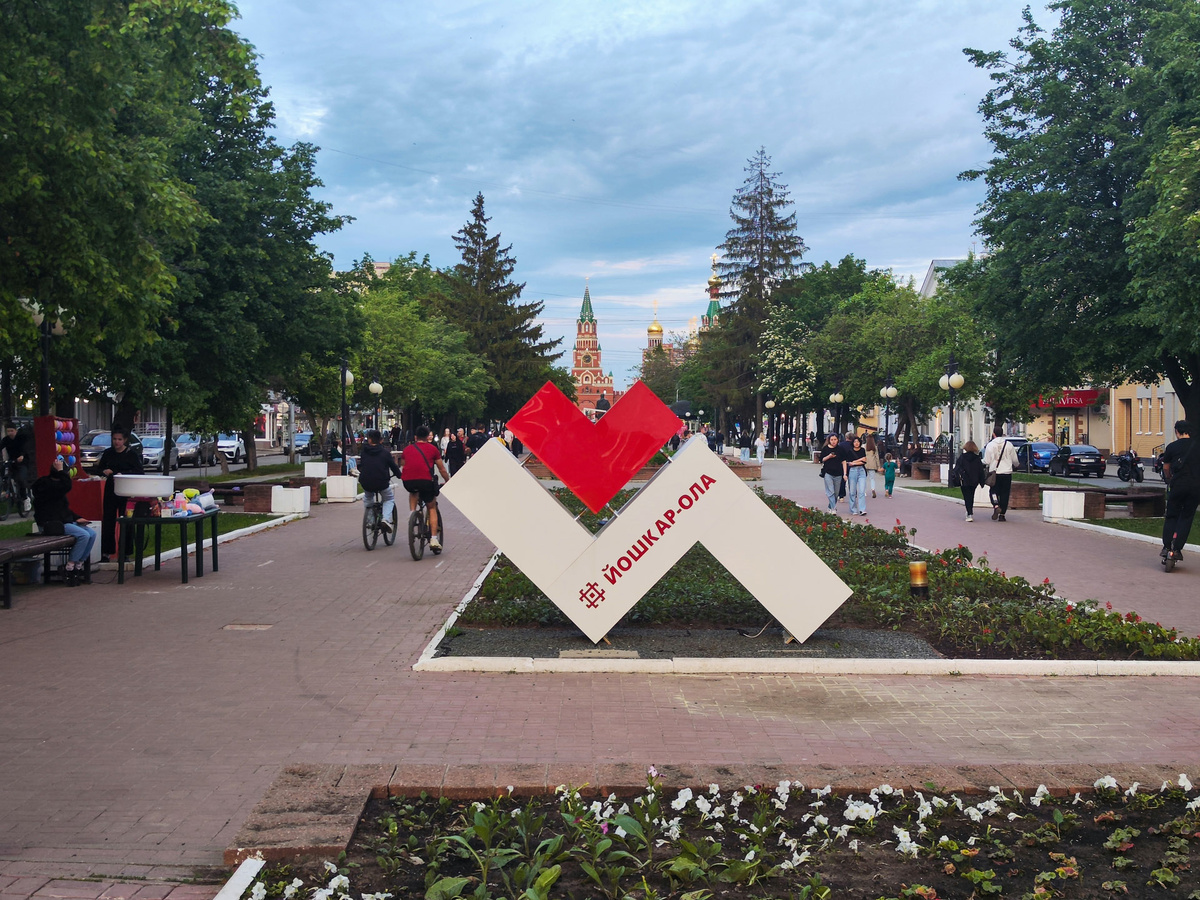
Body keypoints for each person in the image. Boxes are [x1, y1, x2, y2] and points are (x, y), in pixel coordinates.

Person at [31, 456, 95, 585]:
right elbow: (66, 486)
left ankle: (78, 563)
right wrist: (61, 471)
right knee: (83, 535)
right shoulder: (46, 485)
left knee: (92, 534)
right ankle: (69, 567)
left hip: (62, 521)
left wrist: (77, 518)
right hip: (51, 524)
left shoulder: (58, 488)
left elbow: (64, 509)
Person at [94, 428, 144, 562]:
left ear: (125, 440)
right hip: (111, 490)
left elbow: (139, 472)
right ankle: (106, 552)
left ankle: (126, 552)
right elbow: (98, 468)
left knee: (127, 521)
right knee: (108, 520)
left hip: (126, 492)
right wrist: (104, 471)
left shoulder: (131, 455)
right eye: (115, 439)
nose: (117, 442)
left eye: (120, 439)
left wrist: (125, 474)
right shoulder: (108, 453)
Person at [401, 425, 451, 552]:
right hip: (426, 482)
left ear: (415, 437)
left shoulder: (407, 450)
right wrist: (447, 480)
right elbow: (441, 468)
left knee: (413, 492)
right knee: (431, 506)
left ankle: (412, 514)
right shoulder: (433, 449)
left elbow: (404, 464)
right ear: (428, 436)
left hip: (408, 481)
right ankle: (434, 539)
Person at [1160, 420, 1198, 569]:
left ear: (1177, 431)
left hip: (1178, 485)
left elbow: (1166, 468)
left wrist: (1169, 479)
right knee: (1187, 517)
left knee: (1172, 515)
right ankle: (1177, 549)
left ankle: (1167, 546)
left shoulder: (1172, 447)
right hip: (1196, 487)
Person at [357, 429, 402, 533]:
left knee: (368, 497)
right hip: (381, 482)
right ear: (381, 440)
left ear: (369, 440)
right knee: (389, 499)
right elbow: (394, 467)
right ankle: (385, 519)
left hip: (366, 482)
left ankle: (370, 520)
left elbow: (361, 466)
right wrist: (400, 475)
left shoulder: (364, 452)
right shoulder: (385, 453)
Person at [982, 426, 1019, 521]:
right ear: (1002, 434)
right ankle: (1002, 515)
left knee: (993, 491)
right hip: (1006, 473)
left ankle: (996, 505)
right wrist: (1017, 465)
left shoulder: (990, 445)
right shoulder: (1009, 444)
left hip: (995, 473)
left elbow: (986, 461)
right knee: (1005, 494)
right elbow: (1015, 460)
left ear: (993, 434)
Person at [2, 420, 35, 514]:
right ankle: (5, 489)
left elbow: (26, 448)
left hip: (22, 462)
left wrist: (22, 455)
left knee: (20, 479)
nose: (10, 433)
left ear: (15, 431)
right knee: (4, 473)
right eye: (8, 431)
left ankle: (25, 498)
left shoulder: (21, 438)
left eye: (11, 431)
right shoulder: (6, 440)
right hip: (11, 462)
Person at [953, 441, 986, 522]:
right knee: (971, 496)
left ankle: (969, 513)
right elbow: (981, 471)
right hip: (974, 481)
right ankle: (969, 511)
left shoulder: (962, 457)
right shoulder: (977, 458)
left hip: (964, 480)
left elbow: (957, 468)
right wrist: (982, 482)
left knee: (966, 497)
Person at [819, 434, 844, 512]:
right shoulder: (825, 449)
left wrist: (845, 473)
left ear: (838, 440)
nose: (833, 441)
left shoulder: (840, 449)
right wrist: (829, 456)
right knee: (831, 491)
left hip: (838, 473)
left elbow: (844, 461)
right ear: (829, 440)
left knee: (836, 493)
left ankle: (830, 506)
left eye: (835, 439)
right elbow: (822, 459)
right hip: (828, 473)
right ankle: (834, 508)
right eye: (832, 440)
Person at [845, 435, 868, 516]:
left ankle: (862, 509)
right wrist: (857, 461)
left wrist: (855, 462)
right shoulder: (850, 451)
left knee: (862, 491)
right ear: (853, 443)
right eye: (855, 442)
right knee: (852, 492)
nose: (856, 443)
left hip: (861, 470)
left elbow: (864, 461)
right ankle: (853, 509)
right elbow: (849, 463)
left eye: (858, 442)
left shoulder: (862, 450)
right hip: (853, 471)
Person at [864, 434, 881, 499]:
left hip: (865, 464)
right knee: (872, 478)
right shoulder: (875, 447)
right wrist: (878, 466)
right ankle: (873, 489)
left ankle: (864, 492)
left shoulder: (864, 446)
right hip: (873, 464)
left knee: (864, 479)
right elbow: (877, 457)